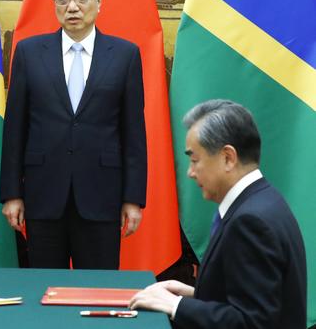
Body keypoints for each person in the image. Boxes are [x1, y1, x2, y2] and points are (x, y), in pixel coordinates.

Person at [0, 0, 147, 269]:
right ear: (53, 3)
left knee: (98, 290)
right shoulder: (28, 52)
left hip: (101, 195)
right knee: (44, 290)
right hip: (44, 194)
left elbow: (133, 133)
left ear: (99, 1)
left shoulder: (125, 55)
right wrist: (12, 194)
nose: (73, 7)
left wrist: (133, 199)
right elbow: (15, 129)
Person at [130, 100, 307, 328]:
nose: (190, 172)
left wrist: (177, 306)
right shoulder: (263, 201)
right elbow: (250, 300)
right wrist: (195, 295)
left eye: (195, 160)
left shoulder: (251, 223)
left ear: (227, 157)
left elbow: (252, 323)